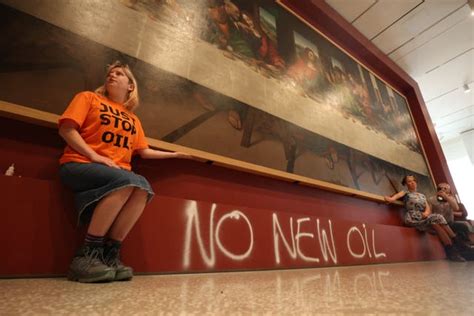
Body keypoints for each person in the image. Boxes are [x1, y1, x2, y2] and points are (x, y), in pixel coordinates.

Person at [58, 61, 190, 283]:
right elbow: (66, 129)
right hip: (79, 164)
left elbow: (144, 152)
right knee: (128, 181)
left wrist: (174, 155)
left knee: (142, 187)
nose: (112, 75)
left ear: (130, 86)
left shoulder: (133, 119)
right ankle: (87, 255)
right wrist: (94, 156)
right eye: (110, 72)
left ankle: (110, 255)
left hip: (117, 174)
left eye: (119, 74)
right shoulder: (89, 98)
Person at [384, 175, 465, 262]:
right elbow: (393, 198)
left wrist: (426, 214)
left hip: (423, 217)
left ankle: (452, 251)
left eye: (413, 181)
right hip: (412, 218)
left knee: (435, 223)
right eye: (409, 181)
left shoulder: (422, 195)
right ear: (406, 184)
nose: (412, 183)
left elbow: (428, 209)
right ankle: (458, 242)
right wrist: (389, 198)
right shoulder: (405, 192)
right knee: (437, 217)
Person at [428, 183, 474, 259]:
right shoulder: (431, 199)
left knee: (463, 225)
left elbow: (456, 208)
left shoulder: (452, 199)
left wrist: (446, 197)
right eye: (440, 188)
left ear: (449, 191)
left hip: (450, 223)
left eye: (445, 189)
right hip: (439, 223)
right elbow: (430, 213)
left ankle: (467, 248)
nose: (442, 190)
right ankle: (457, 251)